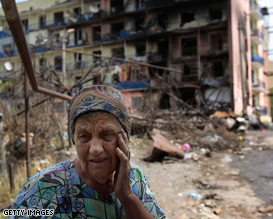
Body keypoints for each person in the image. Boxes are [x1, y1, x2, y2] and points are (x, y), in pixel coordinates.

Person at [10, 85, 166, 219]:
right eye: (84, 136)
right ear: (74, 140)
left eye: (106, 135)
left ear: (125, 138)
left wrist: (127, 196)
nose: (95, 149)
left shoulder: (135, 178)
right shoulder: (43, 187)